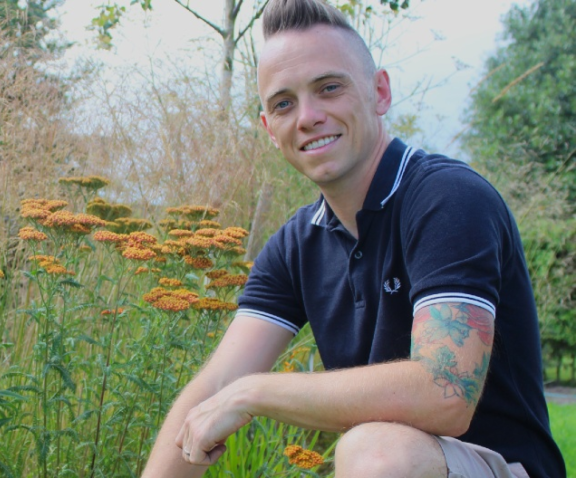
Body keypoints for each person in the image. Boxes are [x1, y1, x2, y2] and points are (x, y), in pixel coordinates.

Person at [141, 0, 566, 477]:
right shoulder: (295, 246)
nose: (307, 117)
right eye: (283, 104)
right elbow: (216, 385)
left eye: (329, 88)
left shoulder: (448, 199)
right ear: (269, 129)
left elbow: (446, 392)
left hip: (502, 468)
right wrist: (228, 393)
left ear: (379, 92)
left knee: (376, 451)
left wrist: (253, 392)